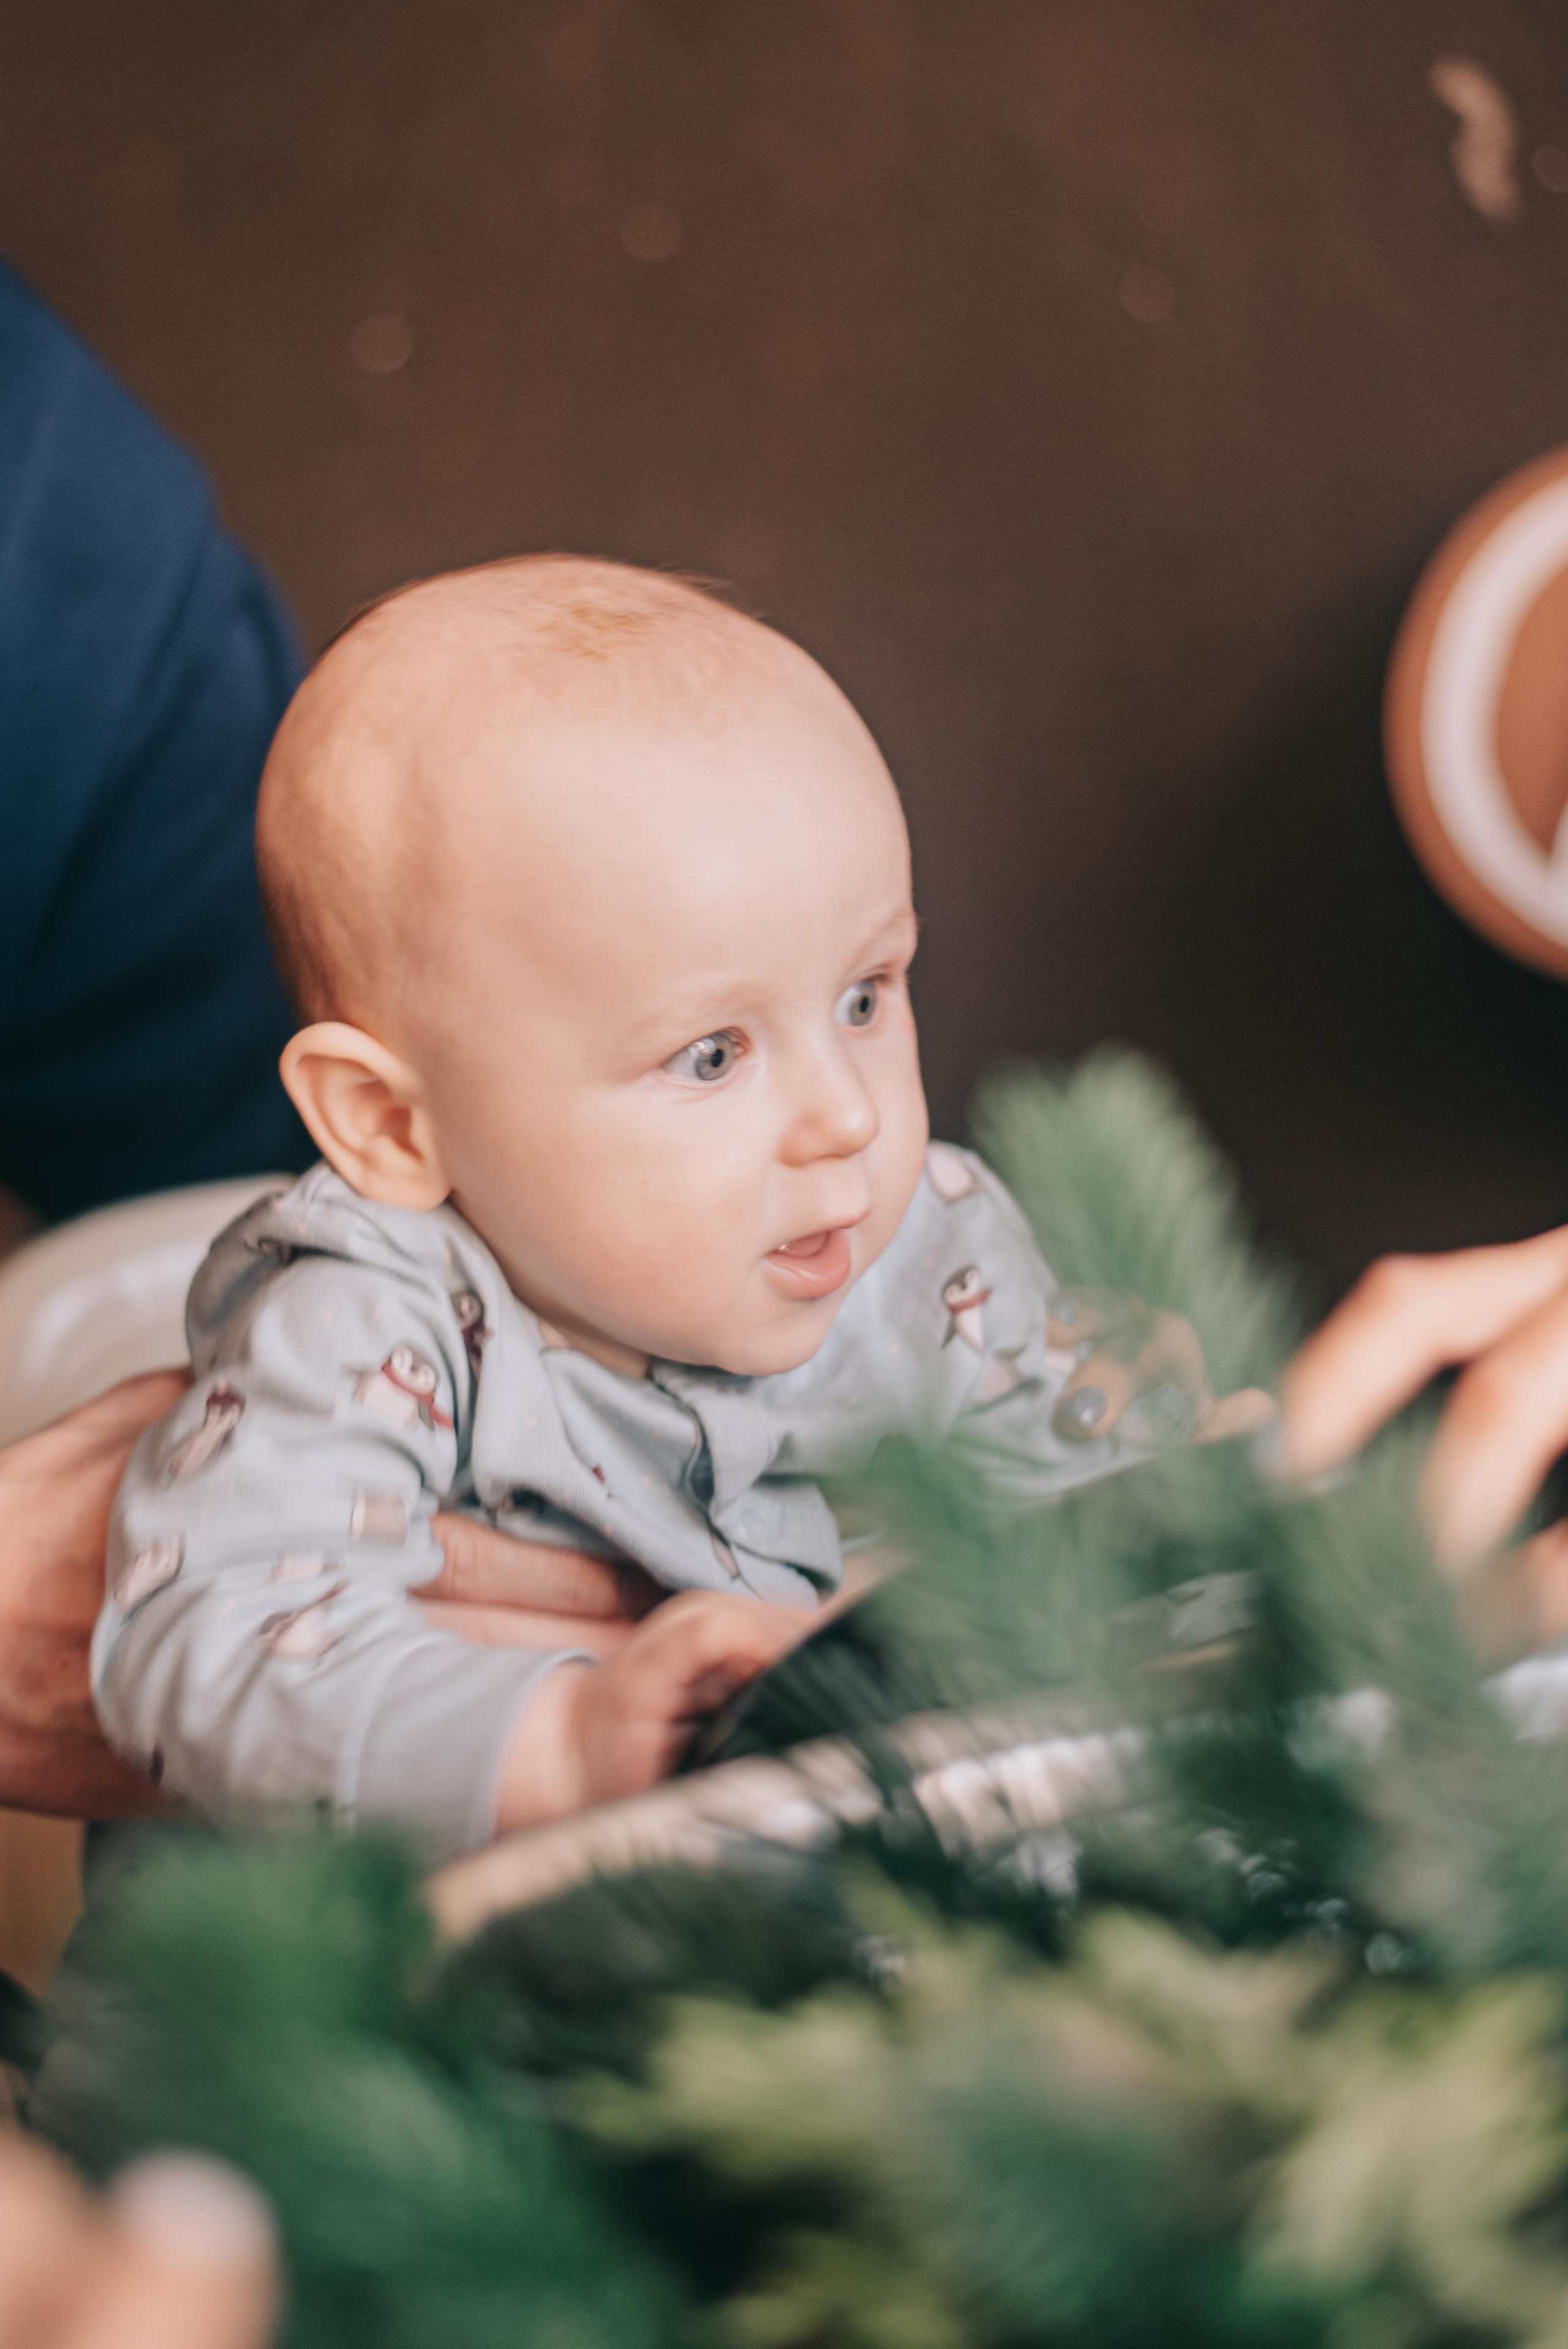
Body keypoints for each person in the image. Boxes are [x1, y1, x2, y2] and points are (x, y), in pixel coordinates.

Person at [95, 554, 1267, 1861]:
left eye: (867, 996)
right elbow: (207, 1637)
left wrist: (1193, 1526)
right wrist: (565, 1742)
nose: (851, 1120)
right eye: (710, 1054)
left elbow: (1078, 1541)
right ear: (392, 1125)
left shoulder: (919, 1245)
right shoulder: (369, 1332)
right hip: (401, 1984)